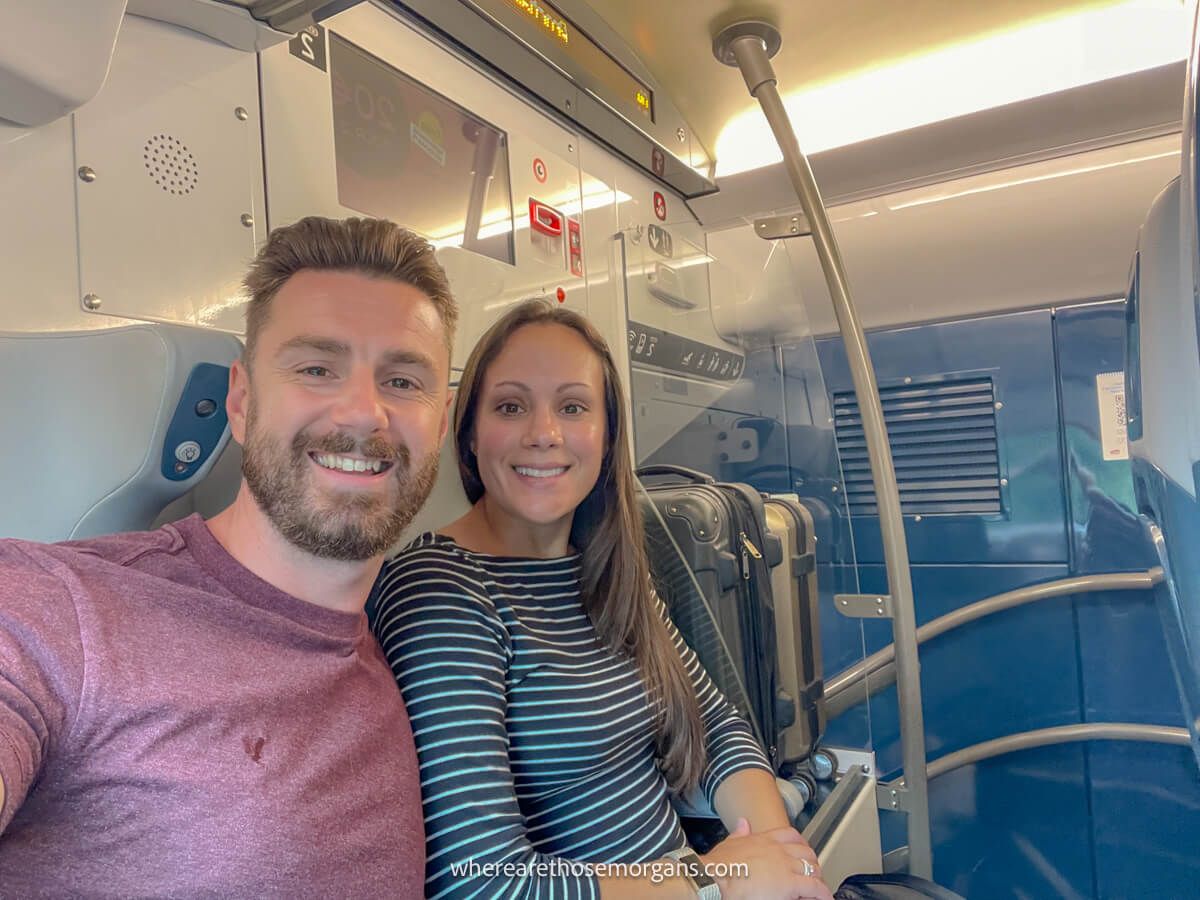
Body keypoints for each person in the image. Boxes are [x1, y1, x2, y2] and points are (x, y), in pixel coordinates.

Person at [0, 216, 456, 897]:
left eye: (403, 381)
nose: (363, 413)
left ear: (441, 422)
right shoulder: (68, 606)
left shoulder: (408, 633)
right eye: (316, 368)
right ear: (241, 403)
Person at [372, 299, 834, 900]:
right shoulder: (440, 589)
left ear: (607, 433)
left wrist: (780, 860)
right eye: (511, 406)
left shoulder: (606, 568)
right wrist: (716, 880)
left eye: (573, 406)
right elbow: (479, 881)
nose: (544, 433)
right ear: (469, 434)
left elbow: (715, 725)